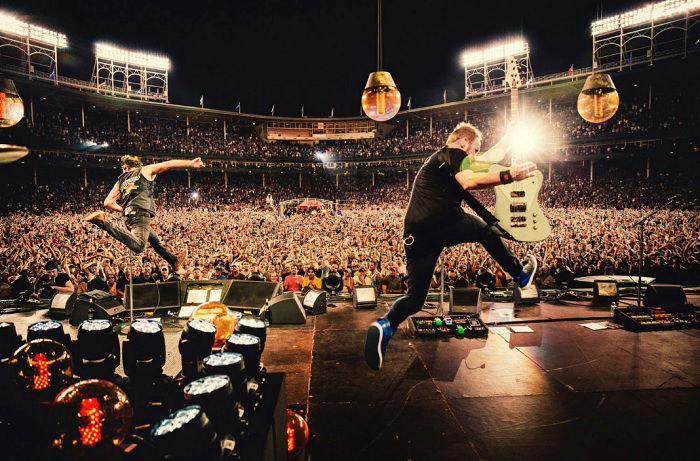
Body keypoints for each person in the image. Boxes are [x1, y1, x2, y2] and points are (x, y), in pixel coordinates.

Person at [364, 122, 539, 370]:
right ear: (463, 142)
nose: (476, 155)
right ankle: (519, 274)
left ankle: (385, 325)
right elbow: (469, 181)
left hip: (415, 233)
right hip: (441, 220)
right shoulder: (454, 154)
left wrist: (508, 138)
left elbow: (487, 160)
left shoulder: (442, 162)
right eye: (474, 149)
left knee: (415, 298)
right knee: (485, 231)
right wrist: (509, 175)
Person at [84, 154, 204, 272]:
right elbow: (168, 164)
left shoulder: (120, 181)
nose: (123, 170)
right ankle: (102, 222)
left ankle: (174, 261)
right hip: (140, 215)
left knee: (155, 241)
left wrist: (126, 210)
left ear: (126, 167)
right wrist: (191, 163)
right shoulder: (145, 170)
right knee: (139, 246)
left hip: (130, 218)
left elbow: (107, 202)